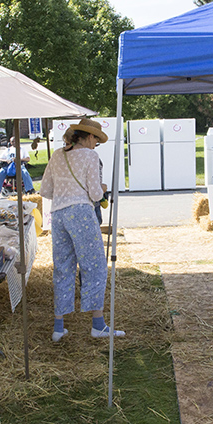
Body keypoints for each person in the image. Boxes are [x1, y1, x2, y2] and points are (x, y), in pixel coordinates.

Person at [40, 118, 124, 341]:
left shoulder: (57, 155)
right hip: (81, 214)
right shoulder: (90, 156)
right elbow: (96, 195)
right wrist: (102, 188)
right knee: (94, 266)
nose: (96, 143)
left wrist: (66, 191)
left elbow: (45, 190)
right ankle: (98, 325)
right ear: (88, 137)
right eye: (96, 138)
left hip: (57, 213)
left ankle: (59, 327)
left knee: (62, 267)